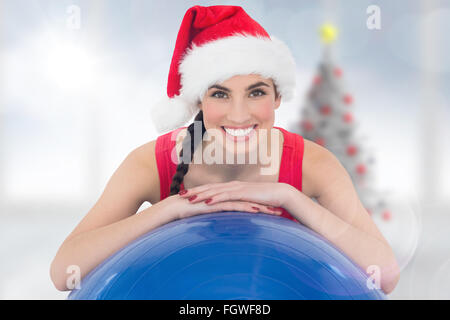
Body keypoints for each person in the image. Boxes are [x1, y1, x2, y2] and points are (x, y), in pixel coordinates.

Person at [50, 5, 400, 294]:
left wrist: (289, 197)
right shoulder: (151, 163)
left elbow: (383, 275)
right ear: (198, 100)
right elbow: (65, 272)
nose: (238, 113)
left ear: (278, 96)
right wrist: (168, 211)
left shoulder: (313, 164)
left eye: (256, 92)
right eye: (219, 94)